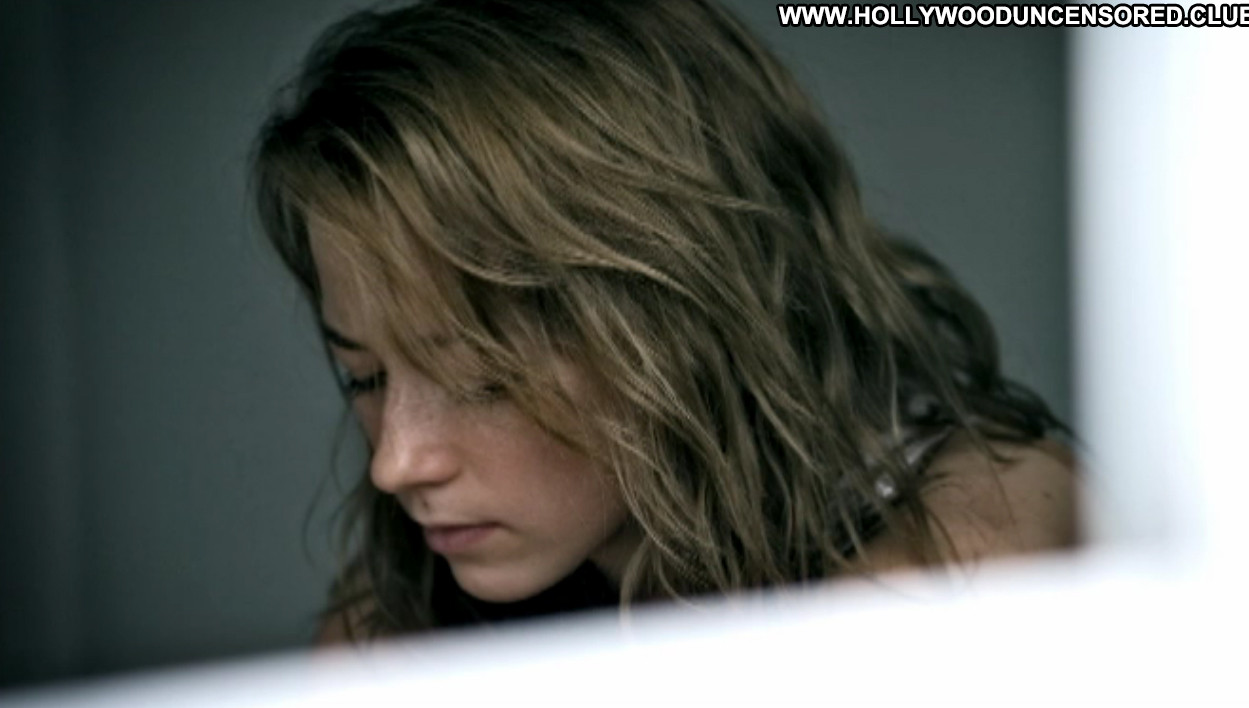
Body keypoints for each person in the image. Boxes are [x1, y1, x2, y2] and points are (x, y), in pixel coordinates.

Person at [249, 0, 1077, 644]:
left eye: (481, 378)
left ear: (685, 316)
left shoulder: (966, 552)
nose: (395, 463)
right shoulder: (391, 628)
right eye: (363, 377)